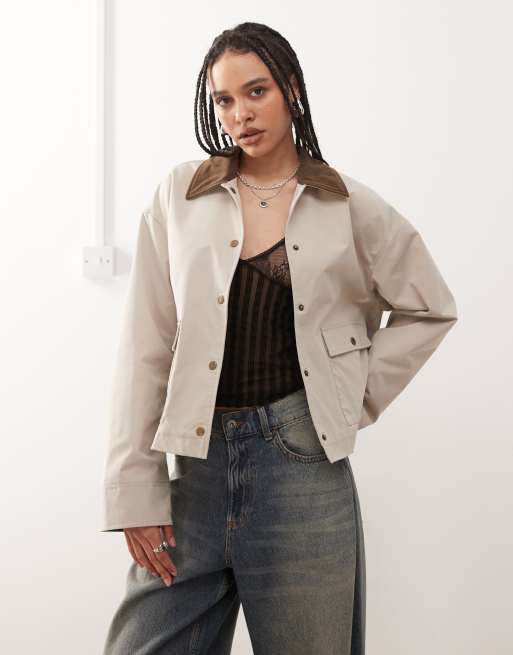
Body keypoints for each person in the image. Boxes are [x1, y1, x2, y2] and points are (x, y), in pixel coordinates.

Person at [100, 21, 458, 655]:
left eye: (256, 91)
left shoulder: (348, 206)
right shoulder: (180, 196)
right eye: (224, 99)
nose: (239, 114)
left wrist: (348, 396)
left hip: (302, 472)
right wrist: (136, 491)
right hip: (194, 474)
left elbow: (430, 308)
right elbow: (145, 347)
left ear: (291, 89)